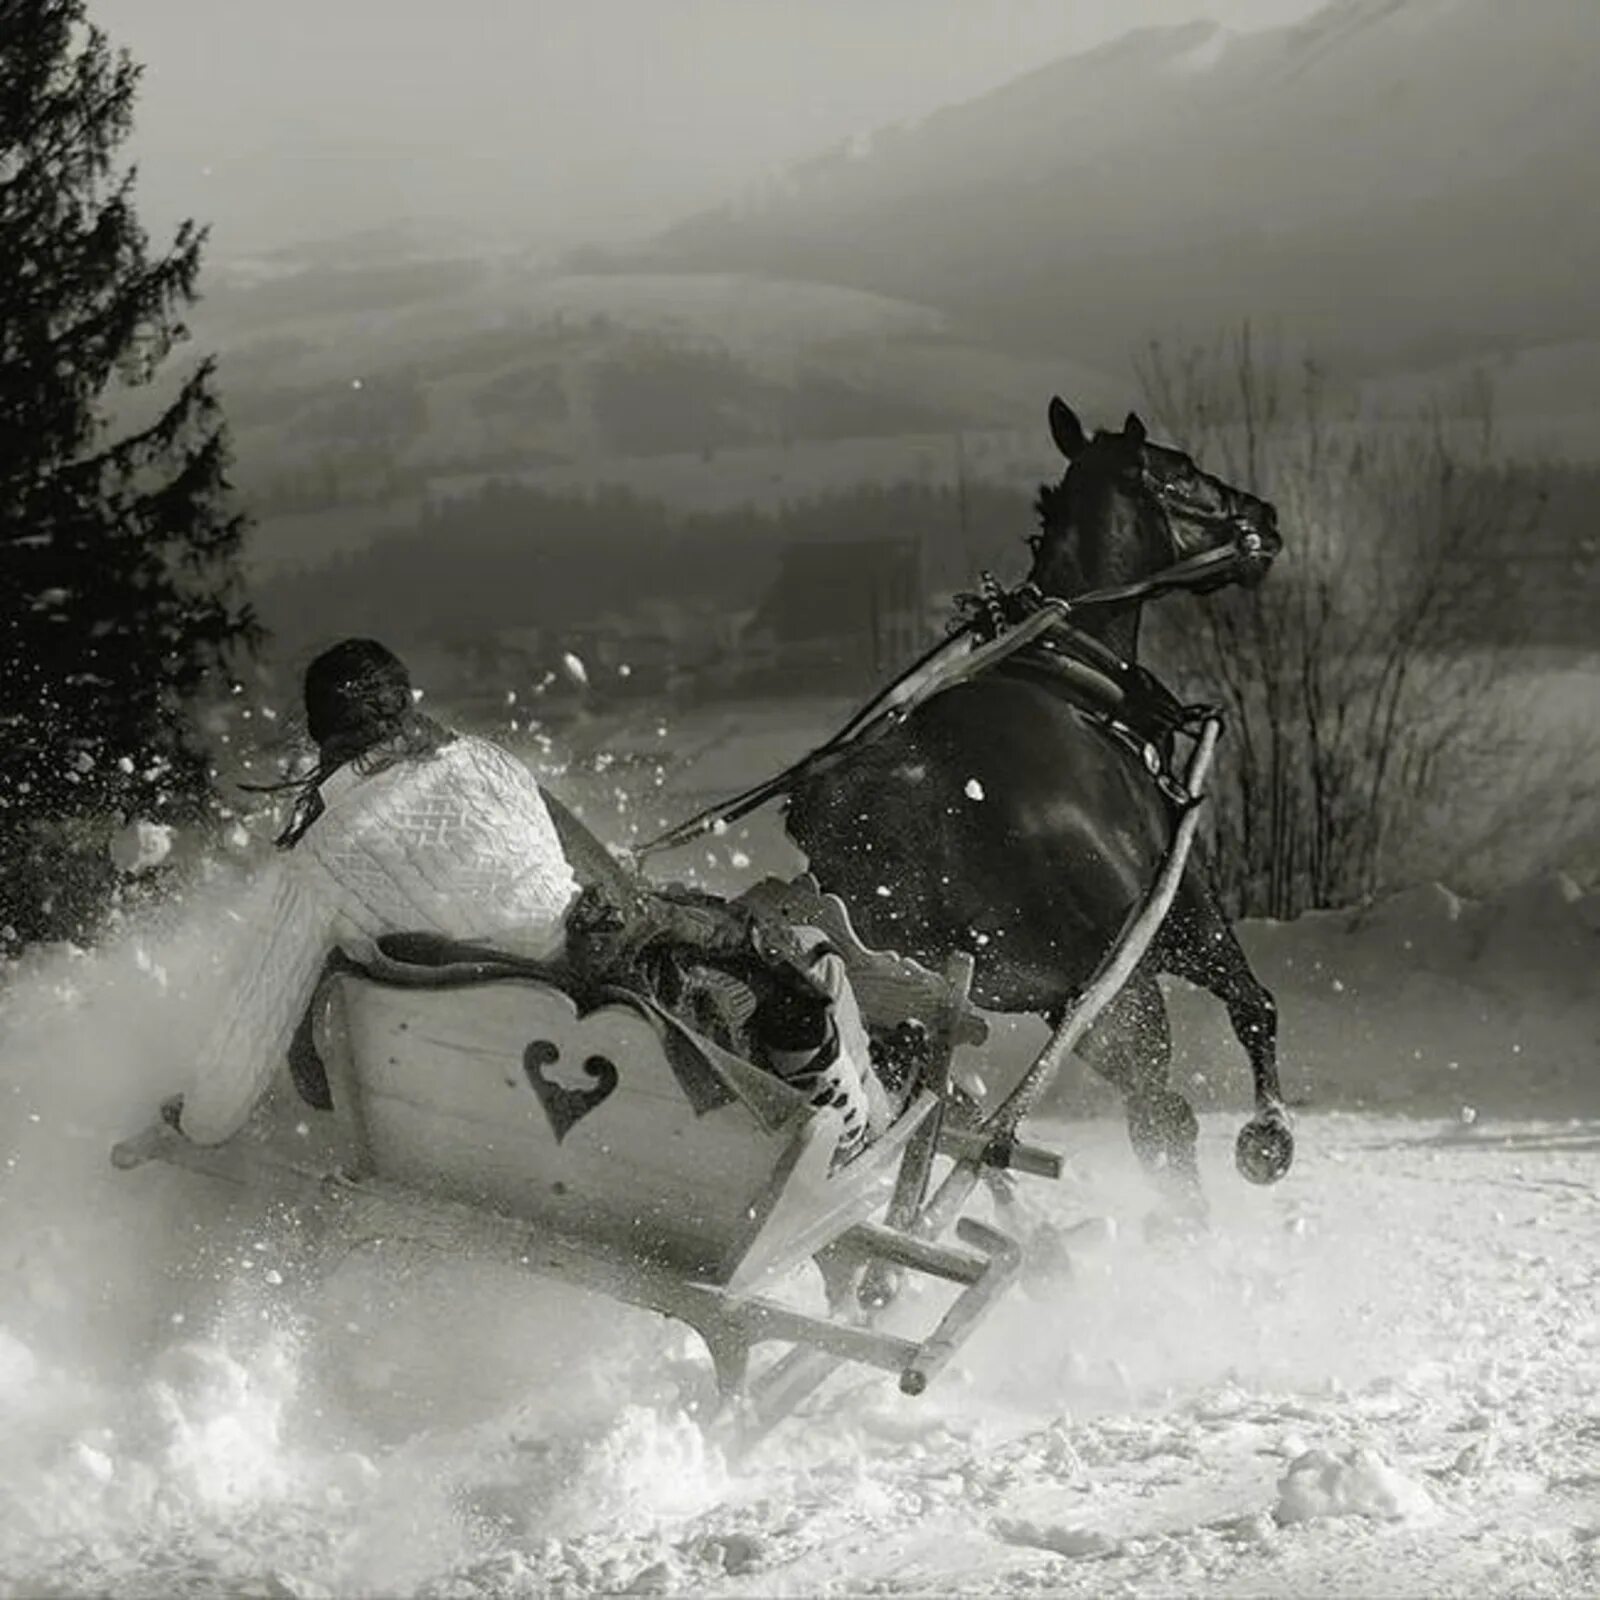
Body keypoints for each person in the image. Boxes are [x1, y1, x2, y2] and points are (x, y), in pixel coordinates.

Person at [168, 638, 893, 1156]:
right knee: (761, 952)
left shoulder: (318, 858)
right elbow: (594, 878)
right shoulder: (483, 764)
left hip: (473, 1101)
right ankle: (845, 1123)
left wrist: (196, 1123)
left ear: (321, 735)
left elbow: (260, 1013)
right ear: (405, 706)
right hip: (614, 1016)